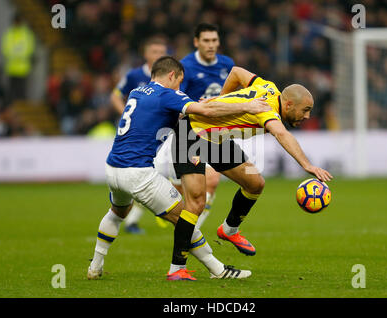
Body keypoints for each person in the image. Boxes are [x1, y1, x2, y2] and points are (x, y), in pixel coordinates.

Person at [87, 56, 271, 281]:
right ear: (172, 75)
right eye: (179, 82)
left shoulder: (137, 92)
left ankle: (95, 266)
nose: (180, 87)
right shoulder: (168, 94)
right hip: (137, 173)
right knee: (185, 217)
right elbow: (207, 112)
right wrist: (247, 106)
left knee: (117, 212)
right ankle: (215, 269)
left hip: (113, 168)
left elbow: (165, 115)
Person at [171, 66, 333, 259]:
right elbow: (281, 133)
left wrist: (222, 101)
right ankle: (178, 266)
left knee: (255, 184)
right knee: (197, 202)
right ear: (288, 104)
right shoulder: (267, 110)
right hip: (191, 133)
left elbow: (236, 72)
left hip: (217, 138)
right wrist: (307, 165)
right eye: (305, 110)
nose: (307, 116)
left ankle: (229, 230)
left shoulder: (268, 87)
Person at [159, 23, 235, 230]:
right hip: (189, 131)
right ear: (196, 42)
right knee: (187, 191)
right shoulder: (186, 66)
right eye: (206, 41)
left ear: (218, 42)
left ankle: (191, 235)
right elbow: (175, 98)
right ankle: (173, 208)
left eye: (214, 40)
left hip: (218, 132)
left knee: (211, 182)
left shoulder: (228, 64)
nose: (211, 45)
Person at [110, 37, 168, 234]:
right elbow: (115, 95)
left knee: (167, 172)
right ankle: (137, 218)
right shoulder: (135, 75)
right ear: (146, 54)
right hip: (139, 137)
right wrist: (126, 114)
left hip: (164, 134)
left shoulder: (170, 76)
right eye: (154, 51)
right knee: (147, 172)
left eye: (162, 51)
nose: (158, 55)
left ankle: (139, 217)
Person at [1, 13, 35, 102]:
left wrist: (17, 55)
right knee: (11, 92)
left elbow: (30, 49)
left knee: (21, 92)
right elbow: (5, 49)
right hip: (11, 67)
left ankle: (22, 109)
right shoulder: (9, 33)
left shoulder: (26, 34)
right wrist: (17, 55)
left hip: (23, 68)